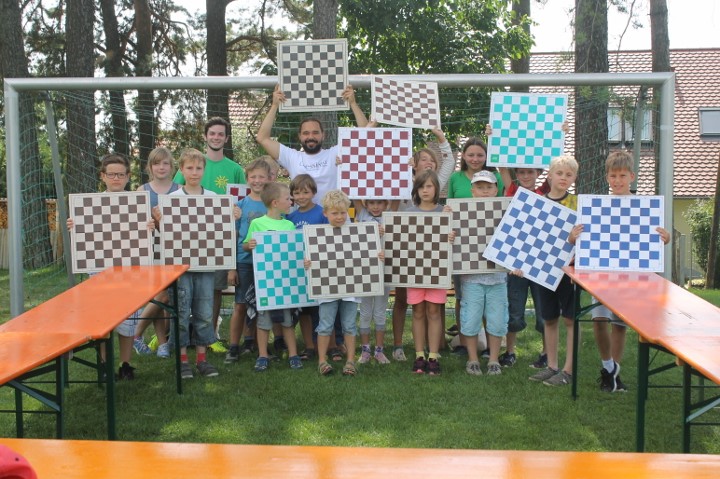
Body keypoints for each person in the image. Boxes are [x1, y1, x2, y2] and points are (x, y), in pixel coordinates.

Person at [583, 151, 671, 392]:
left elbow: (655, 239)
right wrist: (576, 236)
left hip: (629, 278)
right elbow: (588, 239)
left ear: (632, 176)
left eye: (622, 176)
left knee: (619, 323)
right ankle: (608, 367)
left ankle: (614, 373)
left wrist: (664, 239)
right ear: (607, 178)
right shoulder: (597, 206)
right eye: (613, 176)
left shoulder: (645, 207)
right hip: (601, 275)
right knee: (599, 320)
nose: (617, 180)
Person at [67, 153, 154, 380]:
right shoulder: (90, 204)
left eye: (121, 174)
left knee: (129, 318)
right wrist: (75, 226)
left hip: (130, 271)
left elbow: (145, 238)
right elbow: (84, 236)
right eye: (112, 174)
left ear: (128, 176)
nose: (116, 178)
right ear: (103, 176)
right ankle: (105, 366)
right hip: (101, 270)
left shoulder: (137, 203)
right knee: (103, 320)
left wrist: (150, 227)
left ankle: (125, 364)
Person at [173, 117, 246, 354]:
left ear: (226, 138)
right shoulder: (187, 172)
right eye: (212, 133)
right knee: (182, 300)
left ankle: (209, 338)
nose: (216, 137)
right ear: (205, 136)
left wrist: (235, 213)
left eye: (220, 134)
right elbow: (173, 206)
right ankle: (179, 343)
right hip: (185, 249)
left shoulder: (235, 170)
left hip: (214, 246)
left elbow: (240, 201)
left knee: (211, 293)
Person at [390, 126, 455, 361]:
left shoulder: (438, 191)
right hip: (410, 258)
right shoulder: (401, 181)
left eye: (432, 160)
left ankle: (434, 348)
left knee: (433, 307)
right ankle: (401, 346)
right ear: (413, 165)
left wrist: (440, 135)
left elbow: (449, 161)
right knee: (405, 302)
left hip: (433, 261)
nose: (429, 163)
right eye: (423, 159)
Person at [305, 190, 383, 376]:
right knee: (325, 325)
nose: (340, 216)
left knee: (349, 326)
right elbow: (311, 259)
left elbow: (367, 254)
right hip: (327, 288)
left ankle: (350, 361)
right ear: (325, 213)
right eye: (335, 213)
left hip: (350, 289)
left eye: (343, 212)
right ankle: (322, 360)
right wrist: (308, 263)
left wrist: (377, 255)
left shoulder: (357, 232)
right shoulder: (318, 235)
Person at [165, 148, 224, 379]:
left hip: (206, 265)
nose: (194, 172)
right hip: (180, 268)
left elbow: (220, 231)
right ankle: (182, 361)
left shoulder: (213, 198)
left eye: (199, 168)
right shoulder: (172, 200)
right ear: (181, 170)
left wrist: (231, 216)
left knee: (204, 312)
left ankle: (202, 359)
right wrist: (159, 221)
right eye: (189, 168)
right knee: (181, 311)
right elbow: (165, 236)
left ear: (204, 170)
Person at [255, 84, 368, 202]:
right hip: (303, 213)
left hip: (334, 212)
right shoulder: (292, 157)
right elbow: (262, 138)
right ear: (299, 136)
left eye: (315, 132)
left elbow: (367, 135)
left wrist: (353, 103)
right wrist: (274, 106)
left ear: (323, 135)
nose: (311, 137)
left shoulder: (335, 153)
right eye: (306, 133)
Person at [526, 155, 583, 387]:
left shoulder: (578, 204)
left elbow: (587, 239)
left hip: (569, 272)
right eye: (559, 173)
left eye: (569, 175)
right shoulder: (537, 201)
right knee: (549, 318)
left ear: (574, 178)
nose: (563, 178)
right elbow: (530, 236)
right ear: (549, 175)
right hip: (544, 269)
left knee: (570, 319)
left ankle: (569, 370)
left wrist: (574, 240)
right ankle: (551, 366)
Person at [447, 137, 504, 357]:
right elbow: (450, 209)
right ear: (463, 156)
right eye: (470, 154)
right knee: (463, 298)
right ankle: (465, 342)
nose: (475, 159)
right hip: (464, 250)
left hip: (491, 253)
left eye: (480, 155)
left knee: (492, 304)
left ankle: (490, 347)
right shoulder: (455, 178)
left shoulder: (496, 177)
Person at [243, 182, 303, 372]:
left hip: (285, 281)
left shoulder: (289, 224)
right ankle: (262, 355)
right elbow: (246, 244)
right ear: (275, 202)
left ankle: (293, 355)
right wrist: (250, 245)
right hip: (265, 282)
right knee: (263, 322)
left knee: (287, 320)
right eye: (288, 199)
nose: (291, 201)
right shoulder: (257, 223)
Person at [459, 171, 509, 376]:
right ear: (472, 191)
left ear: (496, 189)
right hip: (471, 279)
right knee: (470, 320)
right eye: (480, 187)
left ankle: (494, 360)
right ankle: (472, 360)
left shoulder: (505, 212)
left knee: (497, 321)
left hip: (498, 278)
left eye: (489, 187)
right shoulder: (461, 212)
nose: (485, 191)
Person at [498, 166, 549, 369]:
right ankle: (510, 352)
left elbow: (555, 167)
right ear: (516, 175)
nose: (526, 176)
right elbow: (503, 168)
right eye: (521, 172)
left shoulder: (544, 192)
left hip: (540, 262)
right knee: (514, 310)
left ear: (538, 174)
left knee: (544, 312)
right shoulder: (513, 191)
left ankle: (546, 353)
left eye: (530, 172)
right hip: (516, 262)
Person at [132, 147, 179, 359]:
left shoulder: (179, 190)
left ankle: (139, 334)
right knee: (160, 296)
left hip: (173, 250)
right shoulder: (141, 191)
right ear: (150, 167)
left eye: (165, 163)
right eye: (157, 163)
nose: (161, 167)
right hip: (149, 251)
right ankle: (160, 343)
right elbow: (134, 223)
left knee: (164, 296)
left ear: (172, 167)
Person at [406, 170, 455, 375]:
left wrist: (450, 236)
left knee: (434, 312)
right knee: (417, 312)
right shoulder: (408, 213)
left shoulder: (445, 212)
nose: (425, 190)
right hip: (414, 272)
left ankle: (433, 356)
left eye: (429, 186)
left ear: (436, 188)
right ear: (416, 190)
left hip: (437, 271)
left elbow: (453, 241)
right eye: (421, 186)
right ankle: (419, 355)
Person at [224, 157, 273, 364]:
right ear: (247, 179)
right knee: (241, 305)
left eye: (261, 176)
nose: (257, 180)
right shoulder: (240, 205)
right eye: (253, 177)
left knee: (263, 305)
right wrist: (231, 268)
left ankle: (254, 343)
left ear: (269, 178)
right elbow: (232, 237)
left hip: (268, 263)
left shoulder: (273, 204)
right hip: (244, 262)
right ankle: (233, 346)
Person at [287, 174, 328, 360]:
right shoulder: (290, 217)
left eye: (305, 192)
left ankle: (326, 346)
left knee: (322, 310)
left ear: (313, 192)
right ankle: (310, 346)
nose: (301, 196)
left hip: (319, 269)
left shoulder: (322, 213)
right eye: (297, 193)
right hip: (299, 270)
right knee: (304, 310)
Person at [355, 198, 392, 364]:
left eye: (379, 203)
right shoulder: (362, 214)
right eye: (371, 203)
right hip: (365, 272)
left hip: (384, 271)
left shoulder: (390, 216)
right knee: (365, 312)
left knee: (379, 312)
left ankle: (379, 350)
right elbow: (354, 193)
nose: (375, 206)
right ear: (365, 204)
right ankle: (365, 351)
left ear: (386, 204)